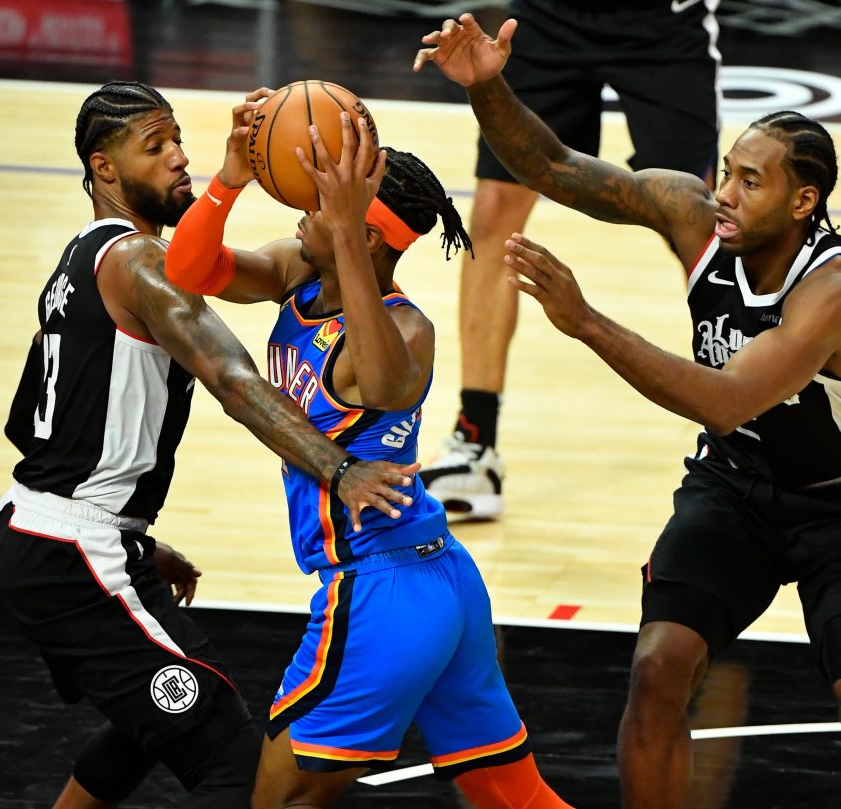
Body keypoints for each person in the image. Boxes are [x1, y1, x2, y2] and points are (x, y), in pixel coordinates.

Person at [415, 14, 841, 808]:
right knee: (658, 665)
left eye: (749, 181)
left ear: (805, 201)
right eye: (726, 171)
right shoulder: (694, 216)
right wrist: (487, 86)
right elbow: (553, 165)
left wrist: (585, 321)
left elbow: (725, 399)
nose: (723, 193)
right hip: (733, 489)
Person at [0, 80, 419, 809]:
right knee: (234, 764)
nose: (179, 158)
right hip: (68, 548)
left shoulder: (76, 263)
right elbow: (236, 380)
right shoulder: (140, 265)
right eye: (156, 149)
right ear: (105, 169)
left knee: (148, 720)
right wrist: (339, 467)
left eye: (178, 140)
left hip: (39, 529)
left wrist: (124, 534)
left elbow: (47, 421)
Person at [164, 93, 574, 809]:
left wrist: (346, 229)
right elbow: (189, 269)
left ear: (365, 234)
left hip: (379, 589)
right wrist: (230, 177)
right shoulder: (300, 271)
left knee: (281, 798)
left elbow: (381, 384)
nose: (300, 206)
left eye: (322, 202)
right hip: (438, 579)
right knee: (512, 795)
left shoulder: (405, 329)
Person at [418, 0, 722, 520]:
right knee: (493, 212)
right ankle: (476, 446)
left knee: (693, 219)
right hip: (549, 17)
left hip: (662, 25)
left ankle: (749, 411)